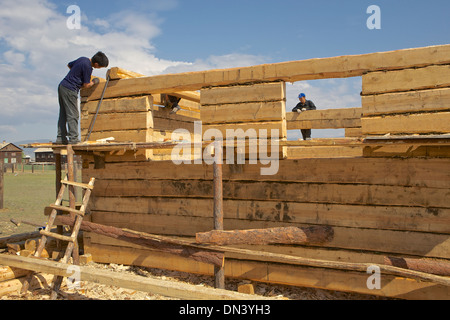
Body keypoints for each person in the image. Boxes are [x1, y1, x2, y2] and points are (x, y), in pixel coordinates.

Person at [56, 51, 109, 144]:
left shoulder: (82, 59)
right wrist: (94, 82)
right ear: (96, 64)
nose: (99, 68)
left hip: (62, 86)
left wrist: (76, 74)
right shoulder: (88, 67)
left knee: (63, 113)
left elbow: (69, 65)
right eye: (100, 67)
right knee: (73, 115)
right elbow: (86, 85)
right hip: (70, 89)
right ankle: (74, 139)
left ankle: (61, 138)